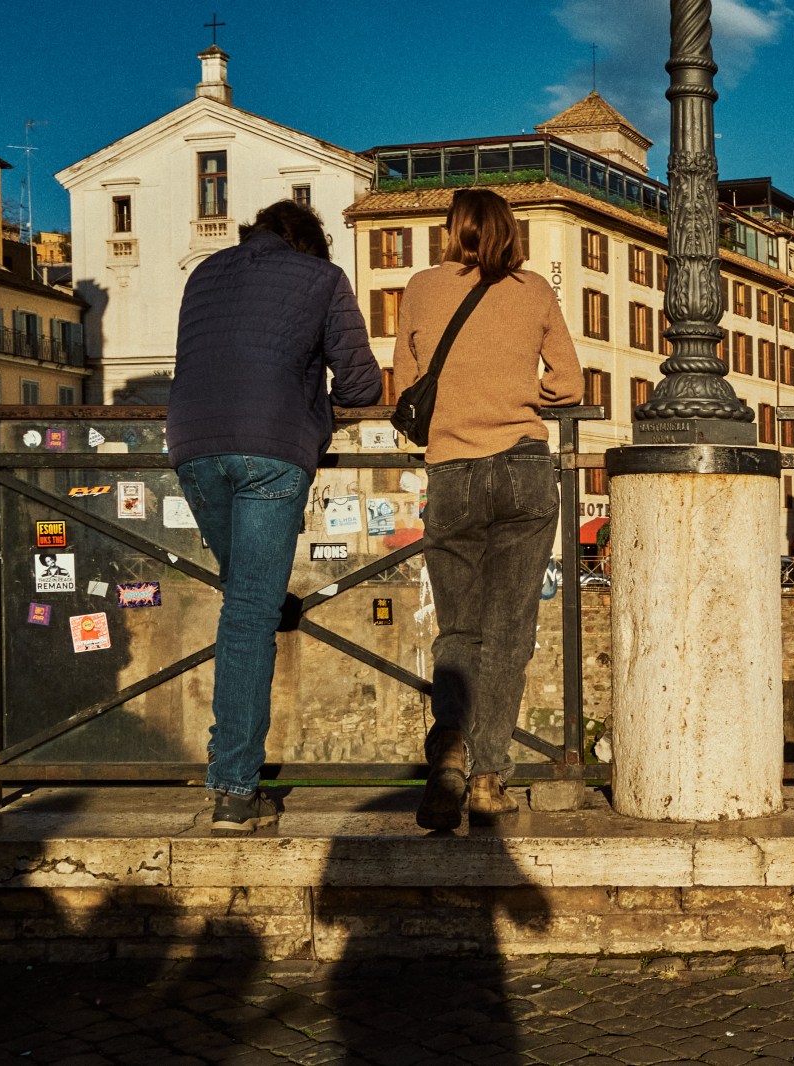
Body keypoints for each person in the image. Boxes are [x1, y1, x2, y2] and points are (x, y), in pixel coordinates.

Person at [168, 200, 382, 835]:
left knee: (244, 600)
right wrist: (310, 401)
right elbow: (362, 386)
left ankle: (227, 768)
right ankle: (235, 790)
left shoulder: (202, 275)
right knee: (250, 614)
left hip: (193, 446)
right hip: (270, 450)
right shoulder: (322, 278)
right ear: (310, 244)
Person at [393, 188, 582, 831]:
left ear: (453, 231)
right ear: (509, 232)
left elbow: (406, 383)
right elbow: (569, 383)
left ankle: (448, 755)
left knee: (458, 630)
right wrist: (518, 391)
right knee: (509, 632)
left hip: (450, 472)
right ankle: (488, 778)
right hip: (523, 468)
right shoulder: (534, 291)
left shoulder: (420, 287)